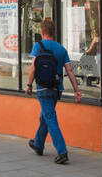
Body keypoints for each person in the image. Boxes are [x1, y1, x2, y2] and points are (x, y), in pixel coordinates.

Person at [25, 18, 81, 164]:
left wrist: (29, 85)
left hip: (43, 88)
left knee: (50, 118)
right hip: (56, 89)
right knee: (45, 116)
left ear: (42, 32)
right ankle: (38, 144)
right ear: (54, 33)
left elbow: (33, 68)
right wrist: (76, 90)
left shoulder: (38, 46)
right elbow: (69, 70)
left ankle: (62, 152)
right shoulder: (61, 49)